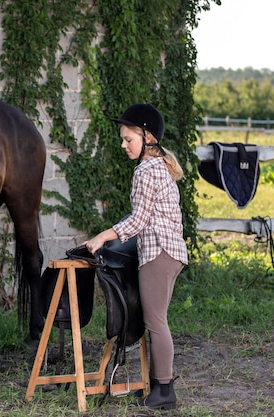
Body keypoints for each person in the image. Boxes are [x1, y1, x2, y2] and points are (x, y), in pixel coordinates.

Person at [84, 103, 188, 410]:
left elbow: (139, 220)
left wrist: (103, 236)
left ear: (148, 137)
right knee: (156, 320)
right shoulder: (159, 167)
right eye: (123, 139)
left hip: (159, 251)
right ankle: (158, 385)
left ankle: (165, 389)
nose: (124, 144)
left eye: (129, 138)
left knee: (155, 321)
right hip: (168, 250)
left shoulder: (146, 170)